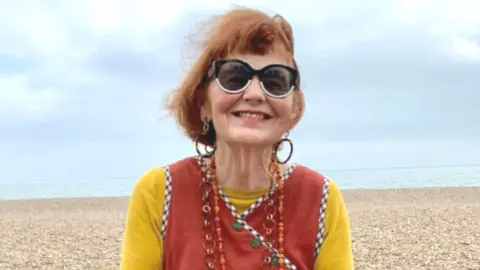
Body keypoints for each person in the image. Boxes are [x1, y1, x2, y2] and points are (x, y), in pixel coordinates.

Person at [120, 7, 353, 270]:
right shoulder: (158, 194)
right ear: (203, 102)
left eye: (275, 80)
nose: (254, 93)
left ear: (294, 109)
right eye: (234, 77)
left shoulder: (321, 198)